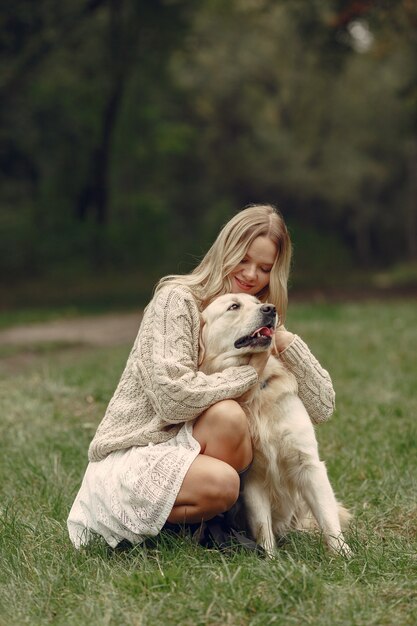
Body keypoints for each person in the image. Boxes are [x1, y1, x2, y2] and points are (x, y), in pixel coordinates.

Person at [67, 204, 335, 549]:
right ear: (225, 249)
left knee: (229, 422)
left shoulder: (254, 319)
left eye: (264, 268)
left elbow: (323, 406)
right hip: (139, 454)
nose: (252, 275)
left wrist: (284, 340)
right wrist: (247, 377)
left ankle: (210, 527)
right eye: (243, 259)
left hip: (189, 456)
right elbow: (172, 399)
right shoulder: (176, 301)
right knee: (226, 440)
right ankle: (166, 529)